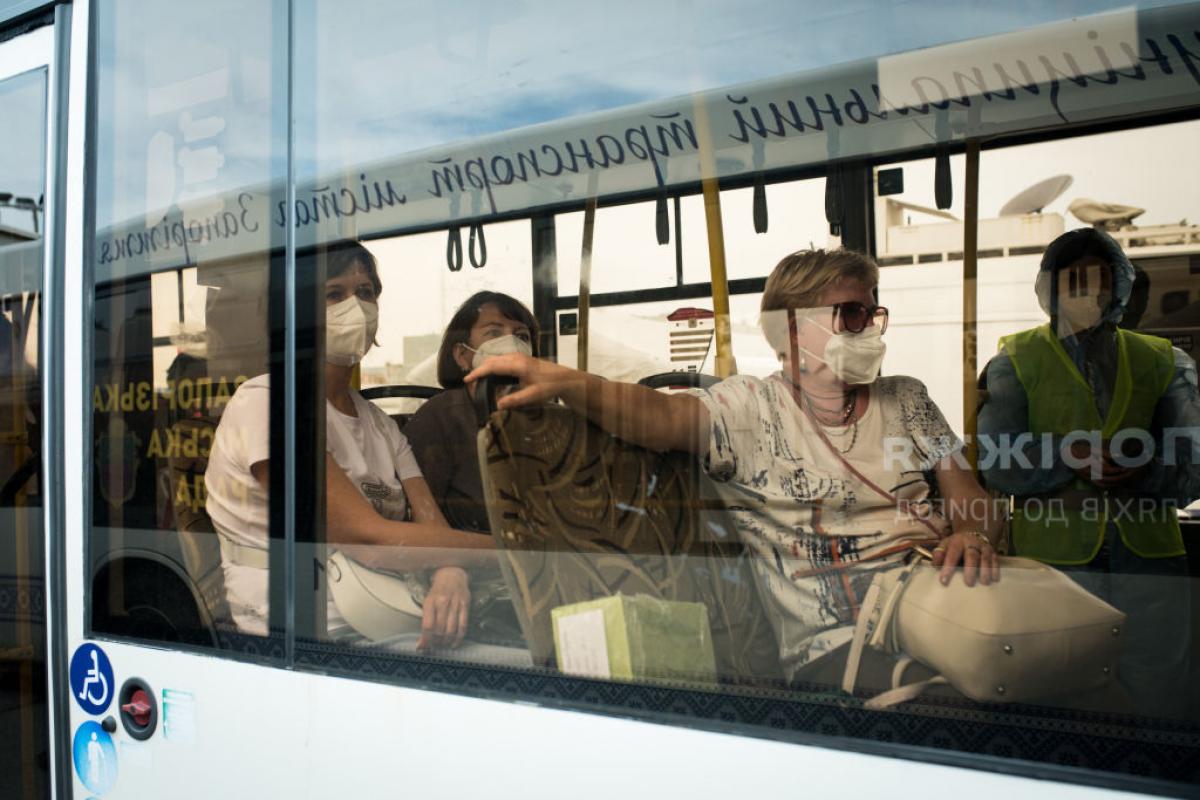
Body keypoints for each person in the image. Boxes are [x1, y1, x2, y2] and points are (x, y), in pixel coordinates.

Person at [466, 248, 1005, 686]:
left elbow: (968, 496)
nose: (871, 329)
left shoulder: (908, 399)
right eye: (853, 314)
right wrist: (565, 380)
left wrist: (975, 534)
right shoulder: (750, 408)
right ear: (795, 329)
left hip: (947, 593)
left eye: (872, 311)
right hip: (840, 638)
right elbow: (659, 416)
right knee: (968, 701)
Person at [205, 240, 495, 650]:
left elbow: (433, 527)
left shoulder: (380, 425)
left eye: (365, 292)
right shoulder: (268, 402)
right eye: (333, 294)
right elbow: (368, 540)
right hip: (304, 632)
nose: (355, 308)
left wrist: (452, 572)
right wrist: (509, 554)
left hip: (385, 612)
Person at [978, 227, 1200, 718]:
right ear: (1050, 289)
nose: (1086, 294)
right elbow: (994, 460)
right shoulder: (1015, 360)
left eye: (1098, 282)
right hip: (1054, 558)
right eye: (1072, 282)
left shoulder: (1165, 361)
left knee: (1161, 687)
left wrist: (1145, 468)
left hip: (1150, 559)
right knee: (1058, 687)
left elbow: (1194, 467)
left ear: (1119, 287)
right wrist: (1065, 455)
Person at [405, 291, 538, 534]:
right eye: (494, 333)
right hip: (467, 561)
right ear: (462, 355)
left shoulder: (543, 415)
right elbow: (419, 515)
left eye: (521, 336)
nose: (512, 344)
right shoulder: (438, 418)